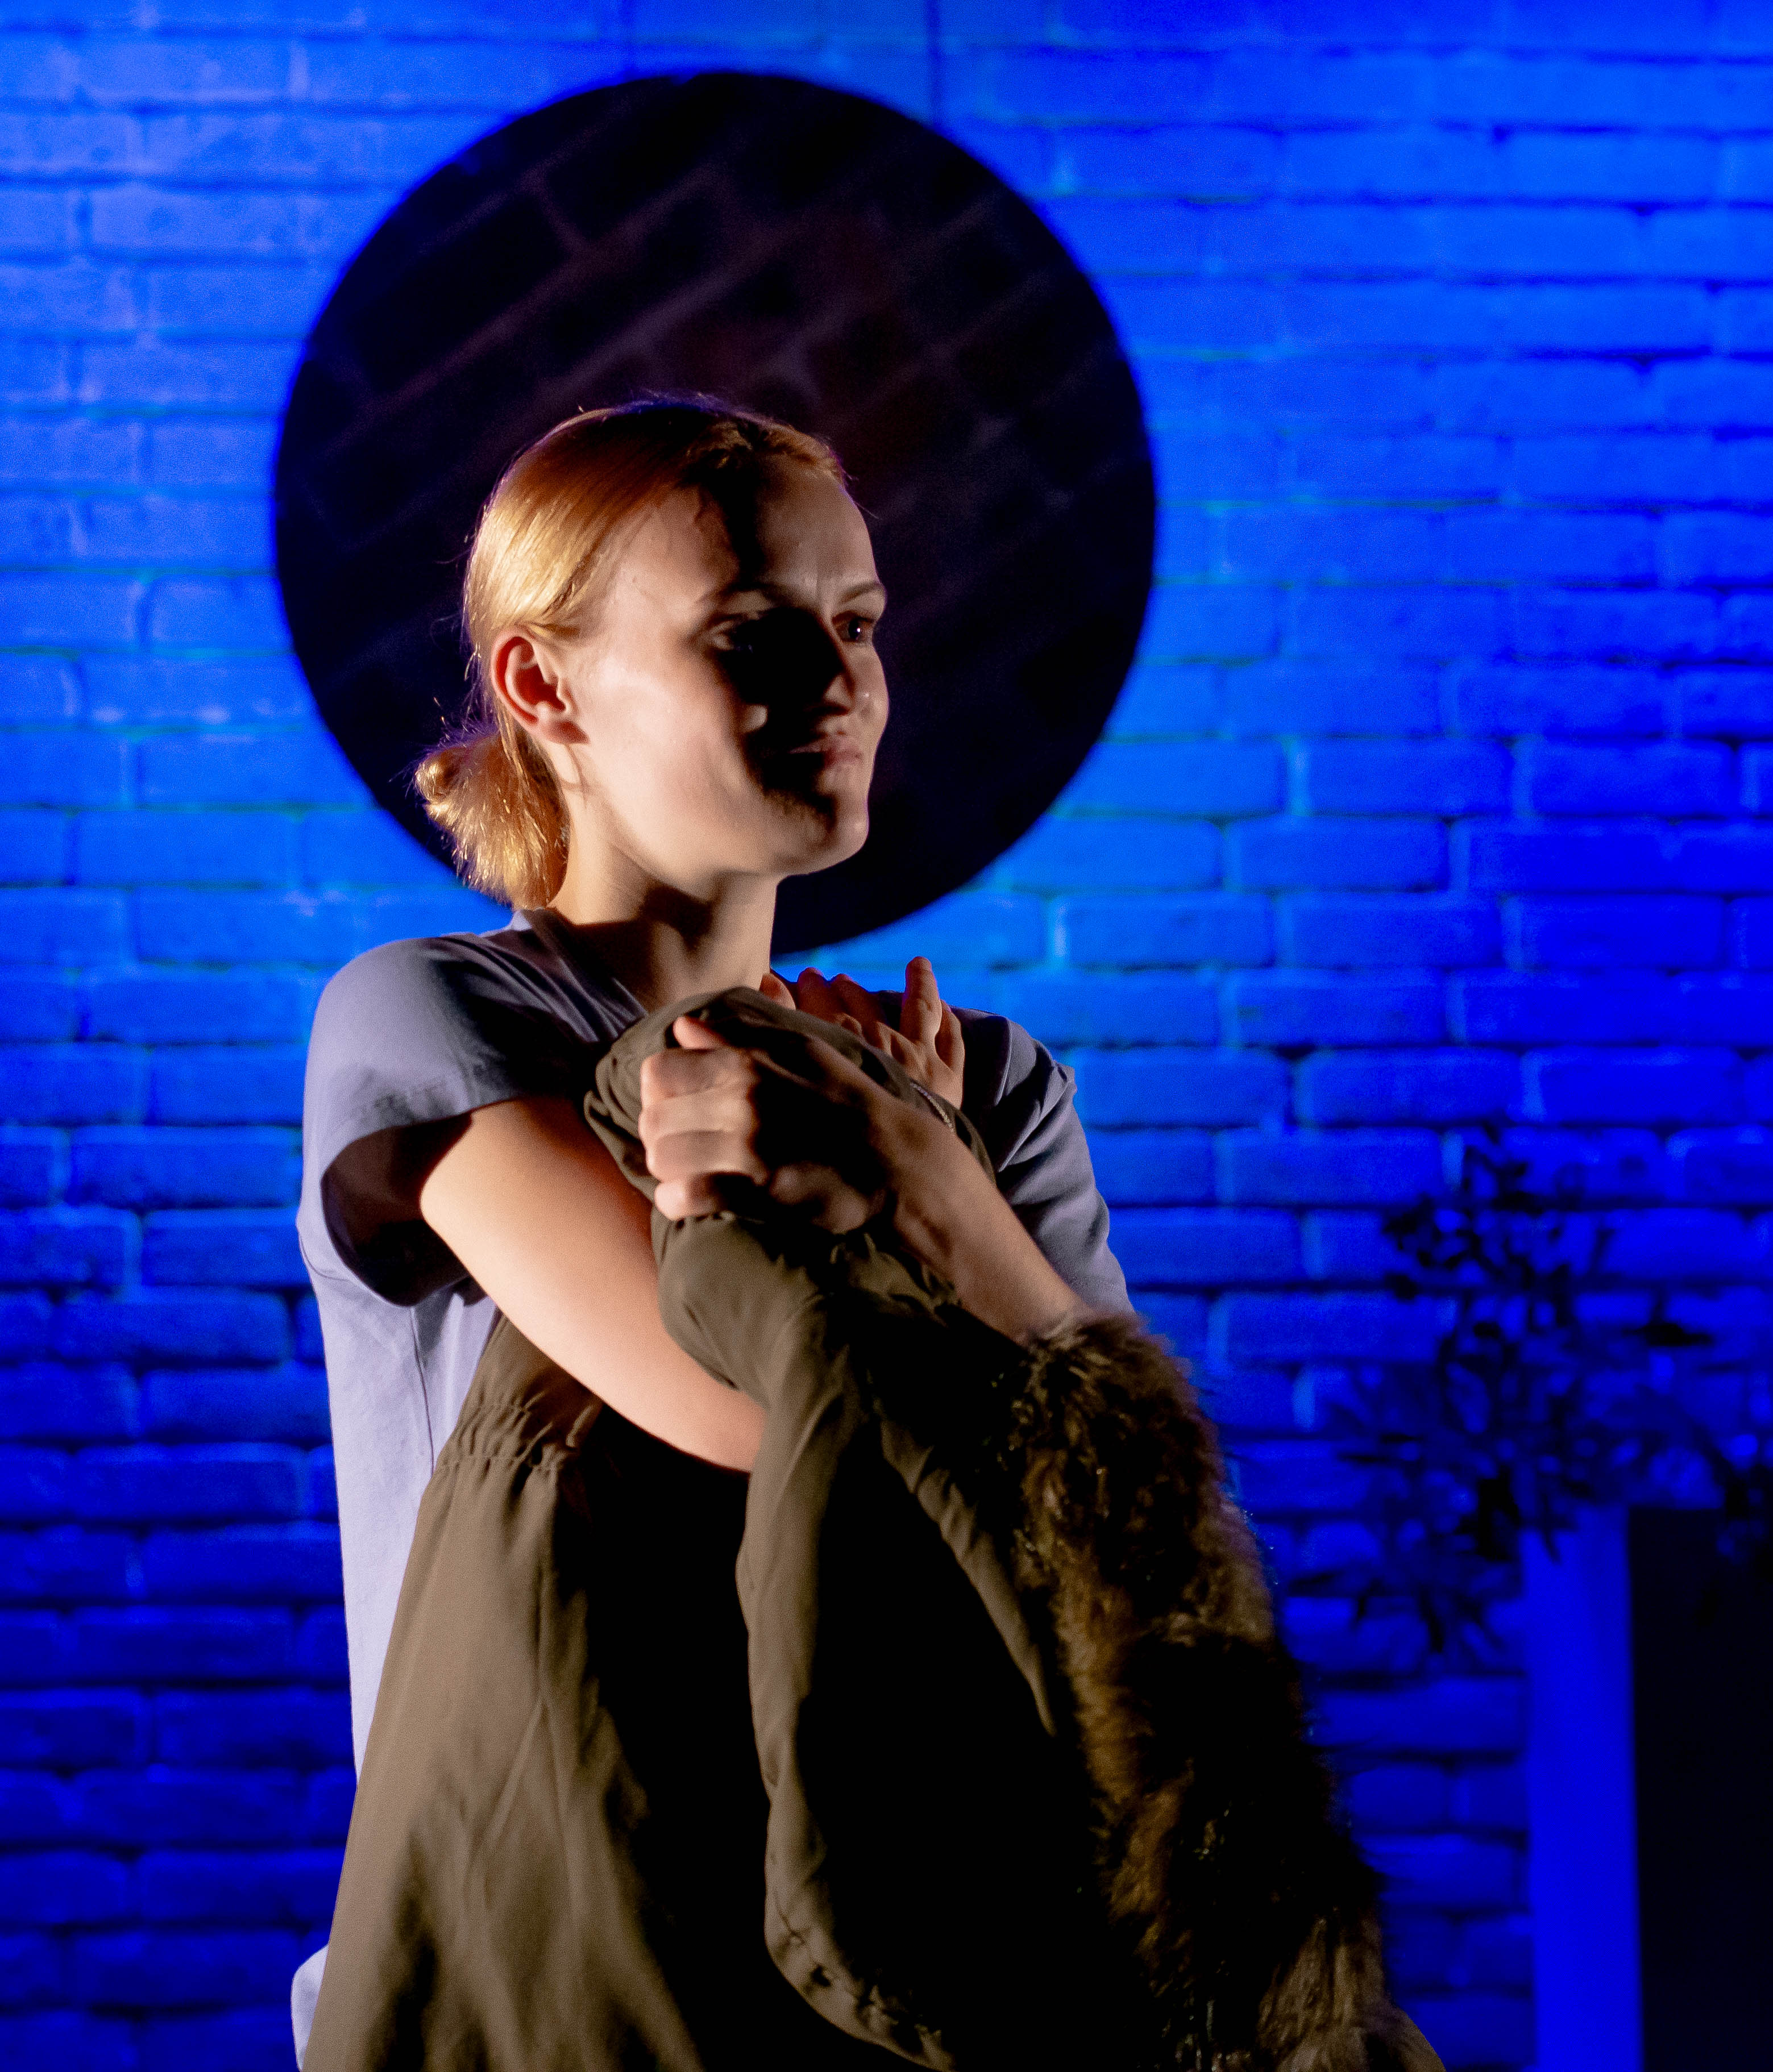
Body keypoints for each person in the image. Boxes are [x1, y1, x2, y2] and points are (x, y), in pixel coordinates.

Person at [289, 396, 1131, 2063]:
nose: (842, 681)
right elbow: (740, 1407)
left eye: (859, 624)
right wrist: (927, 1192)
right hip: (549, 1988)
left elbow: (1114, 1522)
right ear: (543, 687)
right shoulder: (433, 1022)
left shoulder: (990, 1089)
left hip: (912, 1989)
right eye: (753, 631)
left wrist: (927, 1167)